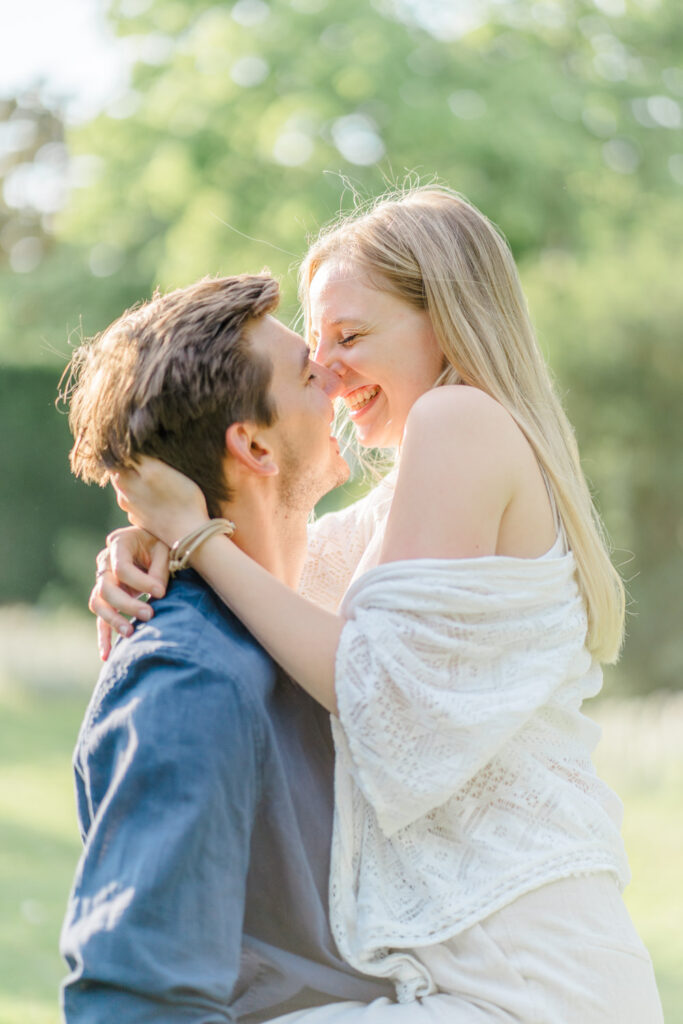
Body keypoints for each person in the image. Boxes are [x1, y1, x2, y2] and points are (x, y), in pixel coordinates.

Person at [93, 187, 663, 1022]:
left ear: (449, 318)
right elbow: (283, 575)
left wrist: (195, 539)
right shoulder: (429, 479)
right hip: (488, 969)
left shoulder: (458, 420)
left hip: (527, 978)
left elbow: (378, 703)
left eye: (350, 336)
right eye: (316, 344)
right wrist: (151, 544)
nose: (324, 368)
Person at [59, 273, 395, 1022]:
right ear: (252, 445)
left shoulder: (288, 627)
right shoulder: (189, 674)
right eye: (310, 375)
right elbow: (137, 997)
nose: (336, 385)